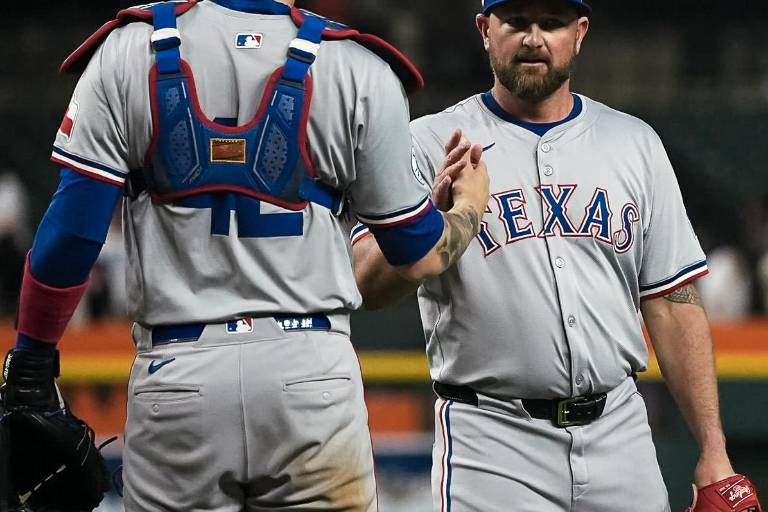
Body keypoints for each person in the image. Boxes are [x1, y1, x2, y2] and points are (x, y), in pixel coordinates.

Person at [1, 0, 490, 510]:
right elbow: (417, 251)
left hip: (179, 376)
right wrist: (468, 207)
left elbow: (69, 240)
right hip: (310, 378)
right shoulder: (356, 65)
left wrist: (32, 365)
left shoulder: (128, 50)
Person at [351, 0, 762, 511]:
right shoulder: (428, 142)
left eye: (552, 22)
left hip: (621, 432)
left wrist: (714, 449)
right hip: (492, 439)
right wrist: (425, 224)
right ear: (484, 29)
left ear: (580, 32)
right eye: (517, 22)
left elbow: (672, 300)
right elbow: (364, 285)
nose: (533, 38)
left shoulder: (635, 144)